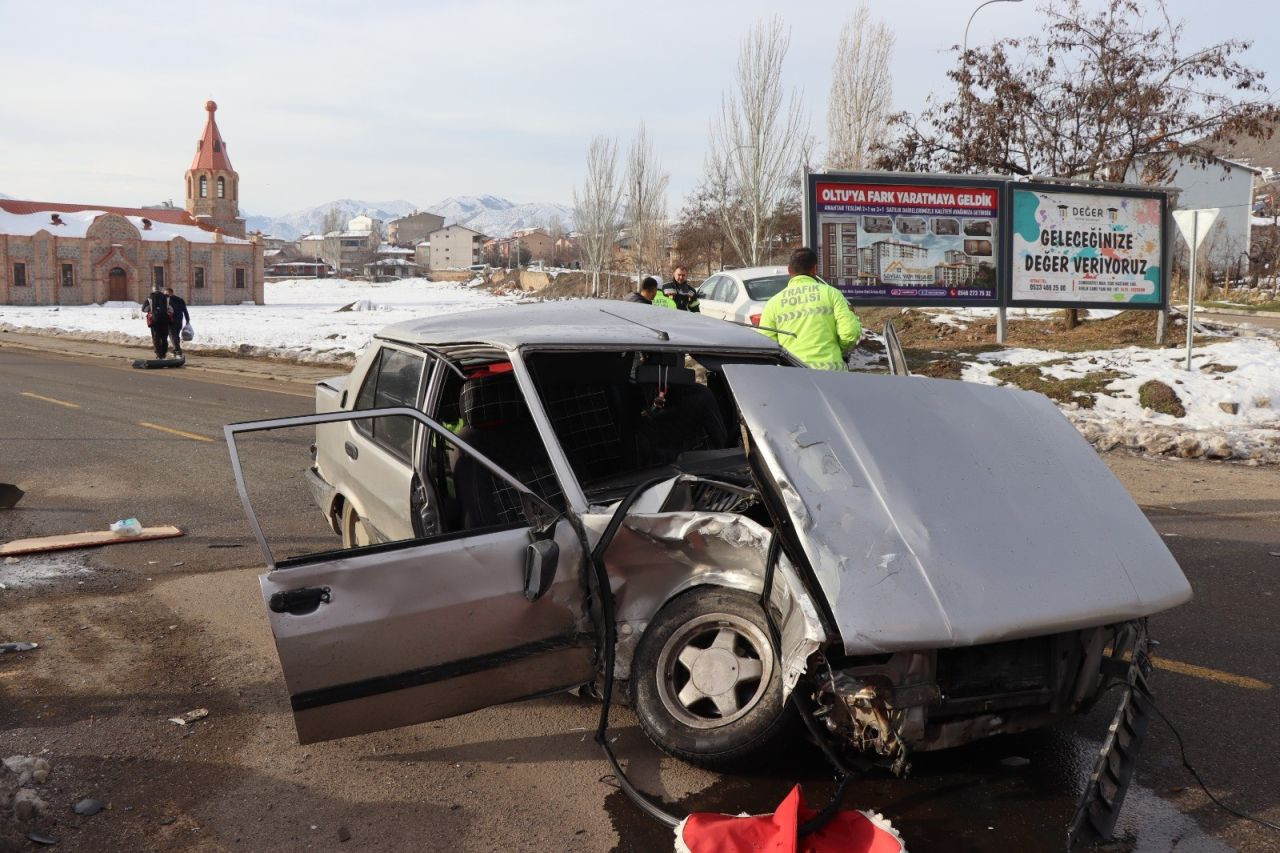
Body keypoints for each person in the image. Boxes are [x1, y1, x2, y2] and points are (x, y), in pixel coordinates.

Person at [758, 247, 862, 371]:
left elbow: (767, 344)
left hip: (793, 375)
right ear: (814, 269)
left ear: (789, 270)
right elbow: (850, 333)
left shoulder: (773, 303)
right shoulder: (832, 294)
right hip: (833, 373)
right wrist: (839, 349)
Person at [141, 286, 173, 359]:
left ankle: (158, 354)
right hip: (165, 320)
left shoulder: (149, 298)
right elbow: (171, 309)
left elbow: (144, 309)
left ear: (153, 290)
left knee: (156, 338)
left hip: (154, 321)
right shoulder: (166, 298)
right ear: (161, 290)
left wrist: (151, 309)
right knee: (164, 338)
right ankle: (164, 354)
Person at [164, 287, 190, 358]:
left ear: (170, 293)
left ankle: (178, 351)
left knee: (172, 336)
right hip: (179, 321)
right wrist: (187, 320)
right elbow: (185, 311)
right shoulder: (180, 300)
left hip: (171, 321)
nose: (165, 295)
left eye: (166, 293)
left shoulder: (167, 300)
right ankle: (175, 351)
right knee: (176, 336)